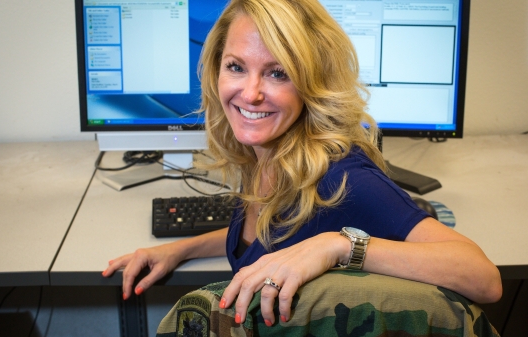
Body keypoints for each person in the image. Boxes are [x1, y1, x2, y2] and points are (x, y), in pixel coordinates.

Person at [102, 0, 502, 328]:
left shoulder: (341, 178)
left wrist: (339, 246)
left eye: (278, 73)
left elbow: (484, 279)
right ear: (215, 71)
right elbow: (275, 233)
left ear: (312, 83)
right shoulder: (267, 153)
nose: (251, 93)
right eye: (236, 67)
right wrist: (181, 249)